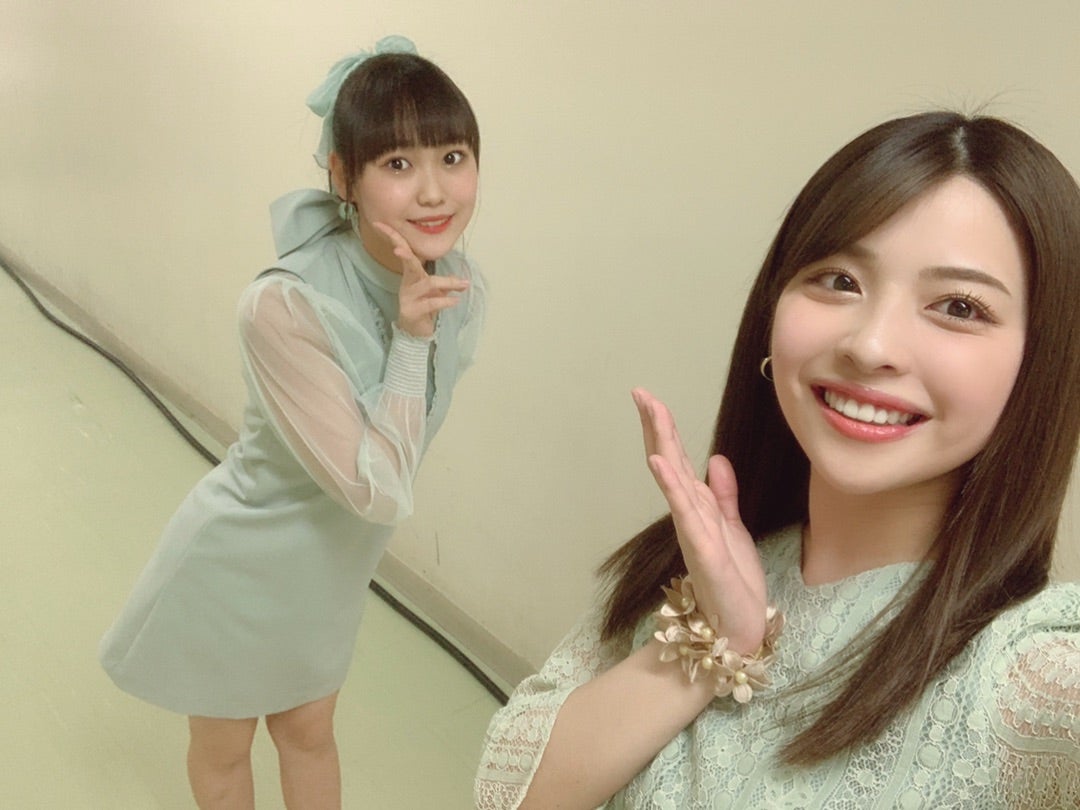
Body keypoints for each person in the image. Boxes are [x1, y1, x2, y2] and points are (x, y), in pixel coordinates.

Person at [476, 111, 1080, 809]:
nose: (870, 345)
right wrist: (711, 643)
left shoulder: (1028, 670)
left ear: (1042, 362)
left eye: (959, 307)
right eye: (840, 280)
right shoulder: (696, 563)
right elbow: (506, 795)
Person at [100, 36, 485, 809]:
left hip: (328, 568)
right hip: (241, 559)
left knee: (309, 732)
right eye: (398, 164)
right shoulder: (282, 305)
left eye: (452, 157)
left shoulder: (457, 282)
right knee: (224, 749)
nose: (434, 192)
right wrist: (410, 342)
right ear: (342, 176)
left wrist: (417, 329)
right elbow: (376, 490)